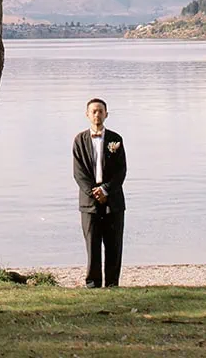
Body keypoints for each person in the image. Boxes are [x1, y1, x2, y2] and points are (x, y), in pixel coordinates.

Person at [71, 96, 126, 288]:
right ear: (87, 115)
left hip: (113, 201)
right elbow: (78, 173)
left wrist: (105, 190)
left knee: (114, 245)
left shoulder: (115, 139)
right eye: (93, 111)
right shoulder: (79, 140)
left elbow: (121, 171)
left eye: (100, 111)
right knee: (92, 245)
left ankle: (112, 283)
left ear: (106, 114)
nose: (97, 115)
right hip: (89, 202)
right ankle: (93, 283)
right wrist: (94, 192)